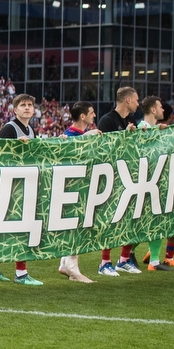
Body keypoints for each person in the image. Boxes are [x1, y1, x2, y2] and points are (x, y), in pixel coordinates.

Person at [0, 94, 47, 286]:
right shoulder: (9, 129)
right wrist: (16, 148)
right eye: (23, 105)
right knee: (22, 227)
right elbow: (0, 156)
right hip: (12, 185)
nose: (27, 108)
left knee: (13, 228)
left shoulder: (30, 130)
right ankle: (21, 273)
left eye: (30, 105)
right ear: (15, 110)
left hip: (23, 183)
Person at [98, 87, 143, 275]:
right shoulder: (107, 120)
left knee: (132, 216)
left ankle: (123, 260)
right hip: (113, 176)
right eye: (136, 100)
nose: (138, 103)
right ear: (127, 100)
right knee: (111, 219)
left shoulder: (130, 120)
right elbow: (106, 149)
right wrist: (125, 134)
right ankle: (104, 263)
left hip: (130, 176)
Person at [135, 96, 174, 272]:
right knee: (142, 224)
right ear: (153, 110)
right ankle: (127, 257)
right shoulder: (141, 129)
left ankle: (153, 261)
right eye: (160, 107)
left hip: (154, 182)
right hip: (143, 183)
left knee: (155, 221)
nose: (163, 110)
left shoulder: (155, 130)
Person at [60, 102, 105, 278]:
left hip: (80, 185)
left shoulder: (80, 134)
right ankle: (72, 267)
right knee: (76, 225)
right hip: (73, 187)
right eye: (92, 112)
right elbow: (69, 151)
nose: (94, 115)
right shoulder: (70, 135)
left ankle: (65, 263)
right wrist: (87, 136)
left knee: (75, 225)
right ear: (83, 116)